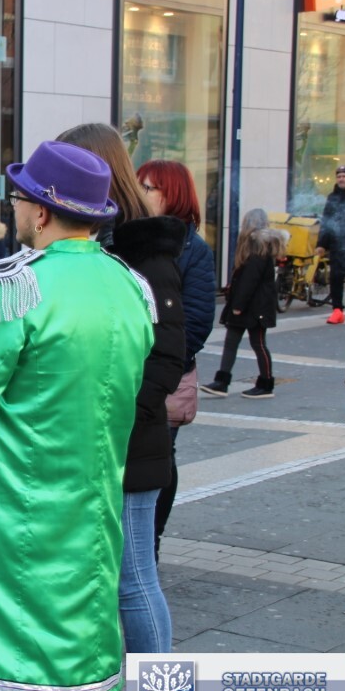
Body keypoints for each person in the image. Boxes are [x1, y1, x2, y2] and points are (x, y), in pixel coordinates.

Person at [0, 140, 155, 691]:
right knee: (87, 657)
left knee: (9, 668)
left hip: (13, 507)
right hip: (94, 504)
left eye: (21, 199)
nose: (16, 208)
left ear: (40, 211)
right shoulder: (128, 285)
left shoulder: (14, 284)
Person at [57, 122, 186, 658]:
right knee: (104, 578)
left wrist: (110, 416)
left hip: (128, 444)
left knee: (133, 579)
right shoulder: (97, 246)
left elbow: (167, 356)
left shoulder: (143, 252)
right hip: (97, 441)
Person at [136, 159, 217, 559]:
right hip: (127, 371)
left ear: (173, 194)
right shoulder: (130, 238)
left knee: (159, 458)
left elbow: (198, 320)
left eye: (149, 188)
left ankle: (150, 540)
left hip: (166, 379)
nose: (141, 194)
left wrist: (160, 370)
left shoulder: (193, 250)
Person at [201, 209, 285, 400]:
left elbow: (249, 280)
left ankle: (265, 384)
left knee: (256, 344)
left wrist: (238, 305)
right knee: (239, 343)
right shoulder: (259, 246)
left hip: (254, 307)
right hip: (254, 306)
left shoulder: (257, 247)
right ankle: (222, 382)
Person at [317, 164, 345, 324]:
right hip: (337, 245)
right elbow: (326, 222)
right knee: (335, 278)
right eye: (339, 176)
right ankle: (337, 310)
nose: (341, 179)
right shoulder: (332, 197)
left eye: (344, 176)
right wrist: (321, 244)